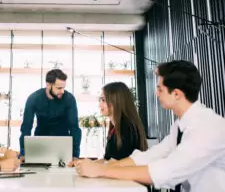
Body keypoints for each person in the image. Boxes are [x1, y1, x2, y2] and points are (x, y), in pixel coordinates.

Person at [75, 60, 225, 192]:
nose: (156, 93)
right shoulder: (180, 126)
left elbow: (166, 172)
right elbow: (150, 156)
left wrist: (101, 170)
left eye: (160, 89)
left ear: (177, 94)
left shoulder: (207, 127)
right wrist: (102, 168)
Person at [19, 69, 82, 160]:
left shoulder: (69, 99)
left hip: (63, 146)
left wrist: (75, 155)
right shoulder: (34, 98)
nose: (62, 91)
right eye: (59, 88)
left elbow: (74, 128)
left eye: (64, 88)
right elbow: (26, 127)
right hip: (40, 145)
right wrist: (23, 152)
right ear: (48, 85)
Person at [96, 82, 148, 163]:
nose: (99, 104)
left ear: (116, 100)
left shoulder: (127, 127)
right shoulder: (116, 126)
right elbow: (107, 160)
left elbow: (113, 163)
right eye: (100, 100)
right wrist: (83, 163)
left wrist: (91, 166)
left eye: (103, 100)